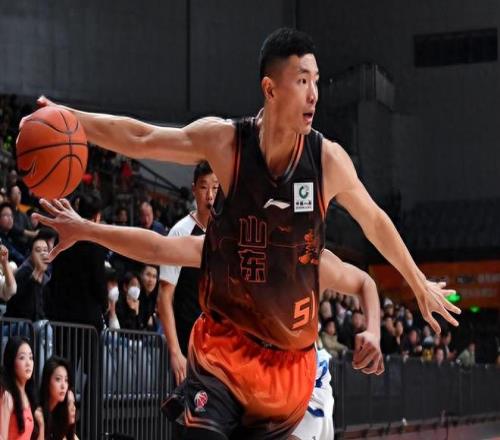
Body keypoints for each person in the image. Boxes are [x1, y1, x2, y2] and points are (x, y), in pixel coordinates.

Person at [30, 27, 459, 438]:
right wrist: (72, 120)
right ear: (270, 89)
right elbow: (143, 140)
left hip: (287, 375)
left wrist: (416, 282)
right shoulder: (227, 152)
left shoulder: (325, 166)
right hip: (222, 354)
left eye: (316, 81)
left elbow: (375, 221)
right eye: (302, 80)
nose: (314, 93)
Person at [157, 160, 218, 385]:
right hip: (188, 344)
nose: (210, 195)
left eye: (215, 188)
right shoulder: (180, 232)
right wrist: (175, 352)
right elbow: (164, 297)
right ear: (194, 189)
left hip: (220, 347)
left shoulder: (228, 234)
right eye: (204, 187)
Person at [46, 192, 108, 331]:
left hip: (60, 316)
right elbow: (99, 281)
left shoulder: (62, 238)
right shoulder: (95, 245)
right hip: (87, 320)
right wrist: (105, 305)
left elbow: (55, 276)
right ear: (97, 217)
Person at [0, 336, 44, 439]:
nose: (28, 363)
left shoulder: (29, 395)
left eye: (31, 358)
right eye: (22, 358)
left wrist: (42, 425)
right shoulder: (6, 395)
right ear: (11, 361)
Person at [4, 238, 50, 322]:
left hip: (33, 323)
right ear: (30, 254)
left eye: (45, 250)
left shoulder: (45, 276)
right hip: (16, 324)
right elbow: (24, 308)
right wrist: (37, 272)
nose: (43, 253)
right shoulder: (23, 272)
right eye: (38, 250)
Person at [40, 356, 71, 440]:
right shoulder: (38, 412)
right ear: (47, 382)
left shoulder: (60, 414)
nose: (63, 386)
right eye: (58, 379)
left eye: (66, 380)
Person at [139, 264, 159, 331]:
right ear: (141, 276)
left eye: (154, 276)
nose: (151, 280)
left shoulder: (157, 299)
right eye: (148, 275)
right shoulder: (136, 296)